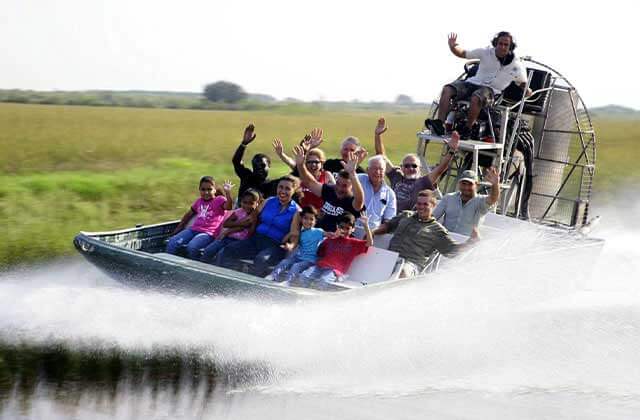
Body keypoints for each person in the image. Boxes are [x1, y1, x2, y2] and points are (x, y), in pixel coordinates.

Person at [426, 31, 532, 139]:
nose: (502, 47)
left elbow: (523, 83)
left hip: (491, 91)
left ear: (511, 47)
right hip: (472, 83)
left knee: (477, 96)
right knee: (447, 89)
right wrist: (453, 46)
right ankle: (439, 124)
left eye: (506, 45)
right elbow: (463, 53)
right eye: (500, 43)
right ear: (496, 43)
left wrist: (527, 91)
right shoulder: (485, 52)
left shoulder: (516, 64)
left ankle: (467, 129)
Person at [373, 190, 477, 278]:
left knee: (402, 272)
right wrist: (372, 232)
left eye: (425, 204)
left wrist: (471, 242)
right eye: (419, 203)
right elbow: (388, 226)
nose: (421, 207)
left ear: (433, 206)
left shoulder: (437, 230)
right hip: (390, 258)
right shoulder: (406, 215)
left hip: (411, 265)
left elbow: (453, 250)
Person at [218, 175, 301, 276]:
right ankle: (229, 277)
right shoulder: (269, 201)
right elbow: (249, 219)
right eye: (280, 187)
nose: (283, 191)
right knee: (229, 249)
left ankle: (249, 288)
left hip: (274, 245)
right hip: (256, 240)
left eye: (287, 188)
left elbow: (294, 234)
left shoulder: (296, 211)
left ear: (294, 190)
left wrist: (291, 245)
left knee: (261, 260)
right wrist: (228, 230)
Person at [374, 117, 460, 211]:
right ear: (401, 168)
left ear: (419, 168)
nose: (410, 168)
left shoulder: (423, 182)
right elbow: (381, 157)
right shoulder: (396, 176)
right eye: (407, 166)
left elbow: (440, 169)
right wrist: (378, 135)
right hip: (390, 218)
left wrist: (451, 151)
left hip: (410, 221)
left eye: (414, 166)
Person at [291, 144, 364, 232]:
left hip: (336, 241)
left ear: (352, 187)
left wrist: (353, 175)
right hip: (319, 236)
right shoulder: (330, 190)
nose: (339, 188)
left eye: (345, 186)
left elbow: (360, 201)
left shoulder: (351, 201)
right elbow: (309, 182)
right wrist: (300, 165)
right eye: (338, 184)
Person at [166, 177, 234, 259]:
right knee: (172, 242)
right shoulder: (199, 201)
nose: (206, 192)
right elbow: (188, 214)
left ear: (214, 190)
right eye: (203, 189)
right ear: (199, 190)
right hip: (193, 230)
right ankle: (169, 263)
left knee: (192, 246)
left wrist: (228, 193)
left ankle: (193, 265)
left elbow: (229, 207)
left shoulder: (219, 200)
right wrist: (179, 228)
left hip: (208, 234)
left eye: (209, 189)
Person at [299, 212, 372, 287]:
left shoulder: (354, 243)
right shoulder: (331, 239)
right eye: (341, 227)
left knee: (322, 281)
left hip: (335, 271)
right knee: (304, 276)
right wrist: (332, 237)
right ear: (337, 227)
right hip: (320, 266)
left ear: (353, 229)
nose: (344, 230)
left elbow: (369, 243)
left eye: (347, 228)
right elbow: (319, 252)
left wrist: (366, 226)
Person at [272, 128, 336, 209]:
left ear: (322, 163)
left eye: (316, 162)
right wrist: (281, 154)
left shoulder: (327, 175)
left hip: (319, 213)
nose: (313, 165)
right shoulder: (301, 173)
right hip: (300, 213)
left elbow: (334, 195)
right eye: (310, 162)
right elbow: (291, 162)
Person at [267, 205, 328, 284]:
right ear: (301, 219)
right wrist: (288, 244)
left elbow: (328, 234)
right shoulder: (300, 232)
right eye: (305, 218)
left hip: (310, 260)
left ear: (315, 221)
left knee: (296, 266)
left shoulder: (318, 231)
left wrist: (336, 234)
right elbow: (287, 241)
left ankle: (288, 282)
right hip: (299, 257)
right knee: (285, 261)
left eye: (311, 219)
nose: (308, 221)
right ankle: (273, 276)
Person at [433, 168, 500, 236]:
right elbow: (433, 218)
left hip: (467, 243)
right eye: (464, 183)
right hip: (445, 239)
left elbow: (493, 199)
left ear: (476, 185)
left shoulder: (481, 201)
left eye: (470, 184)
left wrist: (495, 184)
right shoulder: (448, 198)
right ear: (459, 184)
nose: (466, 187)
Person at [201, 189, 261, 264]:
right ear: (241, 202)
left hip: (239, 242)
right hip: (226, 238)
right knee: (208, 250)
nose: (247, 206)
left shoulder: (256, 217)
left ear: (257, 204)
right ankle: (203, 267)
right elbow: (226, 223)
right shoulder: (239, 211)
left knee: (222, 254)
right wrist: (241, 223)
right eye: (244, 202)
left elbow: (250, 233)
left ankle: (217, 272)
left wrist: (252, 222)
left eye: (251, 203)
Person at [354, 155, 397, 237]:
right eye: (374, 168)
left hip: (374, 235)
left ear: (384, 172)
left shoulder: (390, 194)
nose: (377, 172)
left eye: (381, 169)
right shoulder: (358, 179)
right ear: (367, 170)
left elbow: (388, 222)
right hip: (351, 229)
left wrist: (372, 232)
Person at [232, 123, 279, 199]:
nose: (259, 168)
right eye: (256, 166)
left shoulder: (273, 185)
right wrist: (244, 143)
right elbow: (236, 161)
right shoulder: (247, 177)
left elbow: (295, 176)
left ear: (269, 166)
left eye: (263, 165)